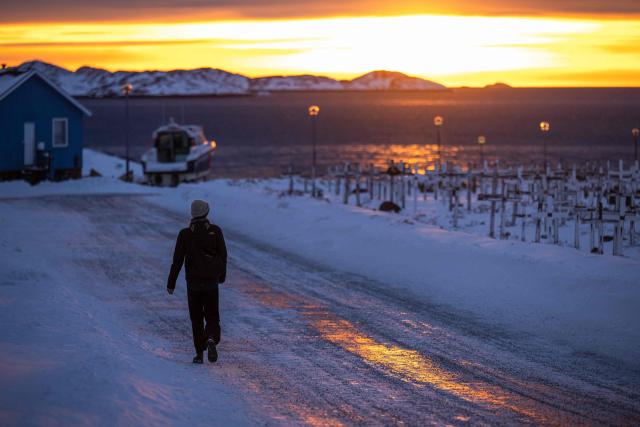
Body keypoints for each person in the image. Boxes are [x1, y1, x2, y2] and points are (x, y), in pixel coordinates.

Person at [167, 199, 227, 364]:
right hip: (211, 283)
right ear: (207, 213)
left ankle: (199, 354)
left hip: (193, 284)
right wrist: (221, 276)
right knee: (212, 316)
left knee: (196, 318)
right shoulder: (215, 231)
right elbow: (223, 256)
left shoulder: (185, 234)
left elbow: (177, 260)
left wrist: (171, 283)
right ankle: (211, 339)